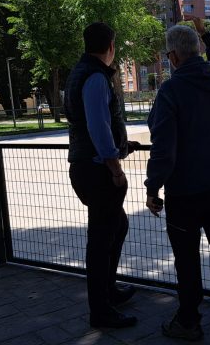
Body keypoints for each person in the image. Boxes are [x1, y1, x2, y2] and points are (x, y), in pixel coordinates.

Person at [145, 17, 210, 341]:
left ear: (172, 57)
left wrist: (152, 186)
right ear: (197, 50)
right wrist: (207, 35)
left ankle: (188, 321)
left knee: (187, 260)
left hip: (185, 193)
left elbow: (164, 149)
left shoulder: (170, 91)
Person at [64, 22, 139, 329]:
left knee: (116, 226)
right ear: (110, 47)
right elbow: (98, 125)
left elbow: (92, 123)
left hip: (86, 166)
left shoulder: (79, 72)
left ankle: (108, 292)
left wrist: (124, 145)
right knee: (100, 241)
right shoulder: (95, 76)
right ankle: (101, 310)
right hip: (97, 170)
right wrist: (115, 166)